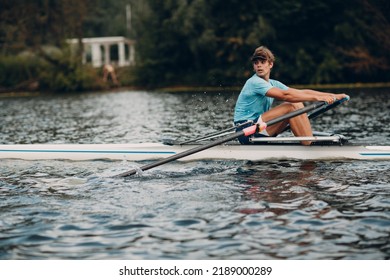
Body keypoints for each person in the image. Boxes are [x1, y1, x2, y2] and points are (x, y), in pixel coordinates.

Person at [233, 46, 348, 145]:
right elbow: (285, 95)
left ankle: (308, 141)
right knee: (291, 106)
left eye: (262, 62)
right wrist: (317, 98)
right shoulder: (254, 82)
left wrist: (334, 95)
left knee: (296, 103)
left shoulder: (273, 83)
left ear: (271, 64)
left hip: (258, 127)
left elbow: (301, 93)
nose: (259, 66)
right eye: (256, 63)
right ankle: (309, 143)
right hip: (246, 131)